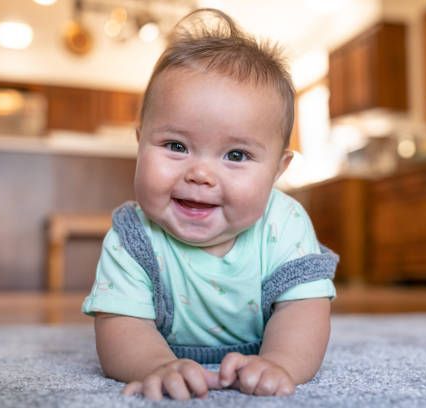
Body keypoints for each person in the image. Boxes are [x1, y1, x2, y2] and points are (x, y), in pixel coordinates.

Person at [81, 8, 338, 400]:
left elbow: (304, 311)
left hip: (263, 347)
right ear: (140, 144)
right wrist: (155, 365)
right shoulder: (134, 237)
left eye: (235, 155)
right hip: (163, 350)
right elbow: (120, 325)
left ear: (277, 170)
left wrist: (282, 362)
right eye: (176, 146)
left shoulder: (284, 223)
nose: (200, 174)